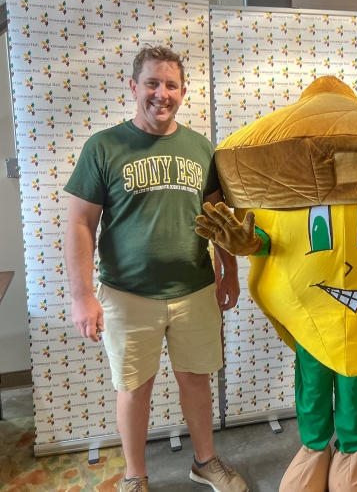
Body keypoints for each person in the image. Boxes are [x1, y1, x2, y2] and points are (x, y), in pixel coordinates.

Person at [64, 45, 249, 492]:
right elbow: (79, 223)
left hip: (194, 289)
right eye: (152, 83)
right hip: (127, 294)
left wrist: (229, 270)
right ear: (133, 87)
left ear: (183, 91)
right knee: (134, 389)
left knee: (196, 381)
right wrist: (82, 294)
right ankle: (134, 476)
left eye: (170, 85)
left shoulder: (200, 148)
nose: (161, 94)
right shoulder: (103, 147)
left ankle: (205, 462)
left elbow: (217, 215)